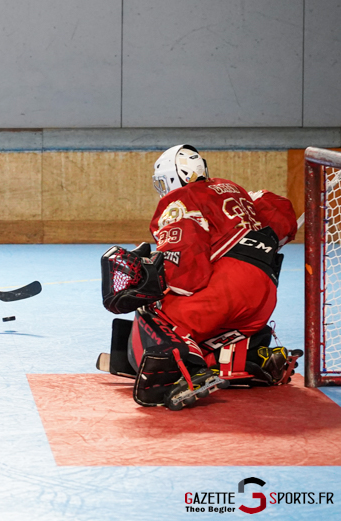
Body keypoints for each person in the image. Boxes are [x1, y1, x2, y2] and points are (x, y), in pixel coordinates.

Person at [100, 144, 299, 410]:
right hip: (263, 298)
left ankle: (183, 372)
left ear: (176, 175)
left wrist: (158, 280)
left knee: (155, 310)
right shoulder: (234, 190)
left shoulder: (180, 200)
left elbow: (187, 275)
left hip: (225, 289)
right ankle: (257, 358)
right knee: (210, 328)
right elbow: (280, 210)